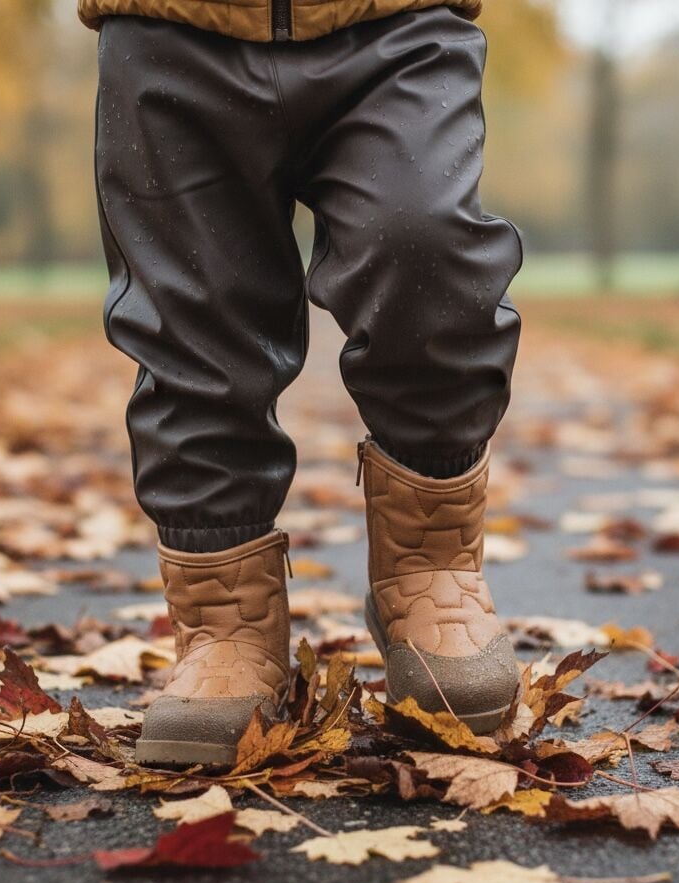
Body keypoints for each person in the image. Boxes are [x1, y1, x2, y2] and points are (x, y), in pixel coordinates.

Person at [82, 0, 524, 766]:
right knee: (194, 321)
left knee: (425, 246)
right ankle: (228, 625)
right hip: (168, 26)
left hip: (397, 21)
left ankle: (430, 568)